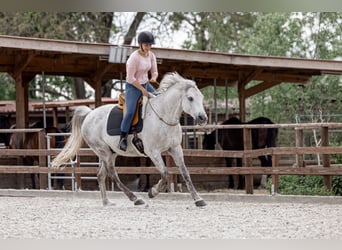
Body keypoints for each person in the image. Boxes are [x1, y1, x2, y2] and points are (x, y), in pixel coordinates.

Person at [119, 31, 159, 151]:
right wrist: (142, 90)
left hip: (146, 84)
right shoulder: (133, 58)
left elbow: (154, 71)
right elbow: (130, 78)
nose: (148, 47)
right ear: (140, 44)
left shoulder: (151, 55)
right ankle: (123, 137)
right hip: (133, 86)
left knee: (159, 100)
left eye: (150, 45)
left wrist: (154, 78)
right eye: (146, 45)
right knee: (130, 112)